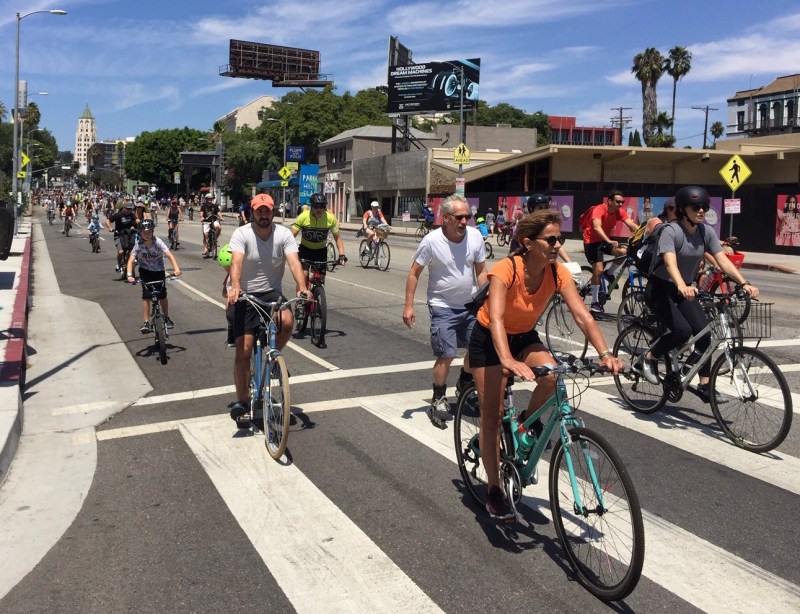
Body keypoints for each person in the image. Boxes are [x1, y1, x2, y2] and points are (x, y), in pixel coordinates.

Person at [469, 209, 623, 521]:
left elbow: (582, 315)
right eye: (550, 239)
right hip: (489, 338)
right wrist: (507, 360)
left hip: (524, 335)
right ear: (528, 242)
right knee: (493, 416)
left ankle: (527, 424)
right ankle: (495, 490)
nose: (557, 245)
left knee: (553, 378)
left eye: (560, 238)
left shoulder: (557, 272)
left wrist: (605, 353)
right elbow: (496, 318)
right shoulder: (505, 269)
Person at [636, 186, 759, 401]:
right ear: (683, 209)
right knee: (682, 331)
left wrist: (743, 282)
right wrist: (682, 284)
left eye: (704, 207)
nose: (701, 211)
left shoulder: (705, 231)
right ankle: (647, 358)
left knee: (705, 336)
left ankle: (704, 385)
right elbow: (669, 262)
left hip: (687, 290)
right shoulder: (670, 231)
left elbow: (722, 260)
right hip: (660, 289)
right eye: (696, 207)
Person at [403, 194, 488, 429]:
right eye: (459, 217)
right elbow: (414, 273)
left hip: (471, 305)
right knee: (447, 353)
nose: (464, 222)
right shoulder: (431, 241)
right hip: (442, 305)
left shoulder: (475, 237)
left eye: (467, 217)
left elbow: (481, 271)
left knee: (477, 350)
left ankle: (464, 383)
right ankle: (439, 397)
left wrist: (487, 298)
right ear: (446, 218)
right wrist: (409, 305)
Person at [225, 193, 307, 427]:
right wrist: (236, 287)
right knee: (244, 349)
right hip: (245, 294)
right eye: (259, 210)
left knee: (287, 320)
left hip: (271, 292)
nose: (263, 214)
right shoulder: (242, 233)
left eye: (267, 210)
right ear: (252, 212)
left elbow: (294, 262)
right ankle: (242, 402)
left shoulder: (283, 234)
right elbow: (237, 262)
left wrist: (302, 288)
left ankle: (273, 361)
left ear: (273, 212)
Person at [582, 189, 639, 314]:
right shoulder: (599, 209)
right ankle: (595, 303)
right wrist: (608, 240)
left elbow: (632, 225)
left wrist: (643, 234)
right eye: (618, 202)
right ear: (610, 201)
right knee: (598, 270)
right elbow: (596, 227)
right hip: (591, 241)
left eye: (622, 202)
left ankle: (610, 273)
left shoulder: (619, 212)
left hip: (605, 240)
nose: (620, 204)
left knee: (624, 252)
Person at [126, 219, 182, 333]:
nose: (147, 235)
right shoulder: (138, 245)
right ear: (140, 233)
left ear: (153, 232)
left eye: (149, 232)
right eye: (144, 232)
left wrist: (176, 269)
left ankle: (166, 317)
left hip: (158, 271)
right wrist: (129, 275)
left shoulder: (158, 242)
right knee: (146, 297)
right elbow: (131, 260)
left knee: (162, 295)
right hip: (145, 272)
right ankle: (146, 322)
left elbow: (169, 255)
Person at [291, 192, 346, 286]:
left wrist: (342, 255)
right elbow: (292, 236)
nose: (319, 209)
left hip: (321, 251)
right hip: (305, 250)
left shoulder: (330, 218)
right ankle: (300, 299)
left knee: (321, 278)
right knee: (304, 275)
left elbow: (338, 238)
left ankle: (316, 291)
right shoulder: (303, 217)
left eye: (321, 207)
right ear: (311, 206)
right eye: (316, 207)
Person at [526, 194, 572, 262]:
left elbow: (556, 244)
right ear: (531, 209)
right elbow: (515, 248)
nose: (544, 210)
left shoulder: (549, 224)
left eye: (546, 207)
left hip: (546, 262)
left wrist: (569, 262)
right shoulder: (526, 226)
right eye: (540, 208)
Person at [105, 200, 139, 273]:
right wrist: (110, 228)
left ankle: (130, 265)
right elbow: (107, 220)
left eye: (130, 209)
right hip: (119, 235)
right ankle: (119, 263)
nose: (129, 210)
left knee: (131, 252)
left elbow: (137, 220)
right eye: (128, 209)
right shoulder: (118, 215)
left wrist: (140, 224)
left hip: (129, 235)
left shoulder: (131, 215)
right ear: (124, 208)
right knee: (120, 252)